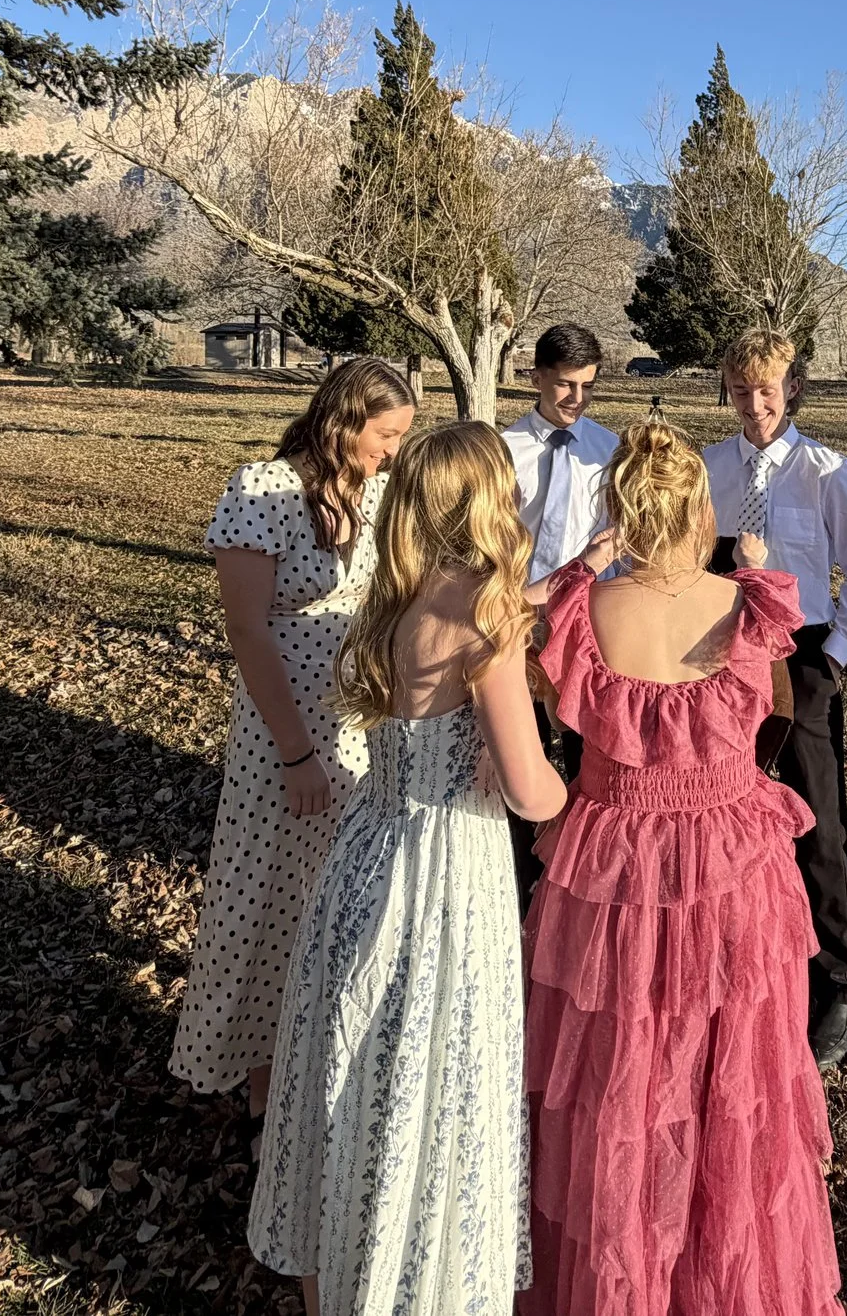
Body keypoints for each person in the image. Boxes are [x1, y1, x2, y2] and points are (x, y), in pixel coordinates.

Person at [520, 417, 843, 1316]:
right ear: (700, 506)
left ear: (618, 509)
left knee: (621, 1074)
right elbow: (773, 719)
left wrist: (587, 561)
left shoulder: (578, 613)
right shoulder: (752, 604)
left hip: (614, 872)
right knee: (730, 1067)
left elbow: (510, 627)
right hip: (732, 864)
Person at [248, 422, 568, 1315]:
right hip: (445, 873)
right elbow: (527, 788)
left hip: (364, 855)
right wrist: (569, 792)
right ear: (487, 500)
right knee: (433, 1076)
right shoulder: (486, 619)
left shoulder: (393, 599)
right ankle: (415, 1278)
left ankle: (338, 1276)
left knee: (352, 1068)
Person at [168, 356, 416, 1124]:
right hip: (287, 733)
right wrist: (295, 753)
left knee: (338, 902)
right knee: (269, 900)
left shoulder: (375, 493)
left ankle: (322, 1063)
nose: (394, 452)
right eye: (386, 435)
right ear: (343, 422)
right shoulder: (262, 490)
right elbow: (246, 630)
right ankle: (261, 1080)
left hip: (360, 727)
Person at [700, 328, 847, 1070]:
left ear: (793, 388)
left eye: (767, 390)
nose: (754, 406)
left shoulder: (824, 470)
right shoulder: (710, 466)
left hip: (802, 655)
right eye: (741, 391)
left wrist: (831, 660)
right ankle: (742, 952)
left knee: (817, 818)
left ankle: (838, 974)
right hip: (723, 653)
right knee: (728, 808)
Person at [501, 322, 621, 585]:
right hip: (518, 598)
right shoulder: (503, 450)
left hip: (590, 599)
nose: (577, 398)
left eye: (587, 386)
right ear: (537, 379)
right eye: (566, 384)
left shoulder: (613, 449)